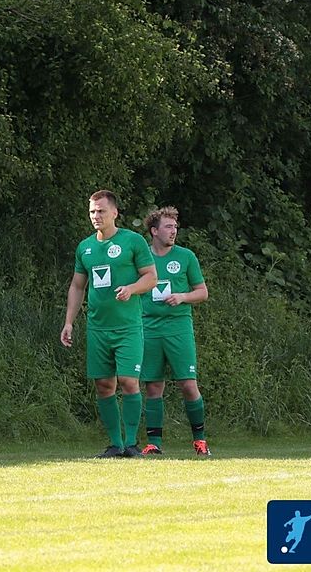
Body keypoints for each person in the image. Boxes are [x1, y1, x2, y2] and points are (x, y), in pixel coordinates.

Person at [61, 190, 157, 458]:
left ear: (114, 212)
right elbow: (78, 286)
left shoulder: (133, 241)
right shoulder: (85, 247)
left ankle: (131, 443)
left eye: (101, 211)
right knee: (104, 385)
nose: (96, 216)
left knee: (128, 381)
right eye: (92, 211)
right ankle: (115, 444)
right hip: (98, 329)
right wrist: (69, 322)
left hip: (128, 327)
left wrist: (132, 289)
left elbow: (151, 277)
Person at [139, 207, 210, 456]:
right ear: (154, 230)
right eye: (168, 227)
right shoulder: (142, 257)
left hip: (178, 328)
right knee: (153, 387)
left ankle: (200, 441)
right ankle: (154, 444)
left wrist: (182, 297)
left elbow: (202, 292)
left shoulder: (186, 257)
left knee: (188, 384)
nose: (174, 231)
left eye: (175, 227)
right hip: (148, 328)